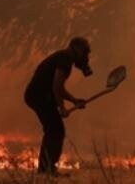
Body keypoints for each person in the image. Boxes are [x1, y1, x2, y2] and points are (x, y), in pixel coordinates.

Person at [23, 37, 93, 176]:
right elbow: (57, 86)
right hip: (40, 97)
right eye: (84, 51)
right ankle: (46, 169)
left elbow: (58, 87)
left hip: (39, 96)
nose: (85, 56)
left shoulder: (64, 57)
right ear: (76, 47)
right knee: (55, 131)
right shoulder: (65, 59)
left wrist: (74, 101)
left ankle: (46, 168)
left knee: (54, 130)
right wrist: (61, 107)